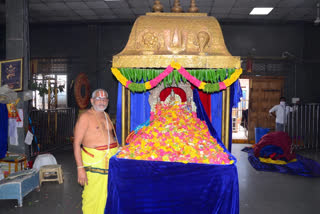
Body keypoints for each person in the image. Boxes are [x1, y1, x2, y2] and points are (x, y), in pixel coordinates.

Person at [73, 89, 119, 214]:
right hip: (94, 162)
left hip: (110, 160)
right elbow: (76, 143)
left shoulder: (106, 115)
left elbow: (109, 136)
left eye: (105, 99)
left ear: (108, 102)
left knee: (108, 194)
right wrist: (80, 168)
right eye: (98, 98)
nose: (102, 101)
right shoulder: (85, 117)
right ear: (92, 101)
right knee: (92, 195)